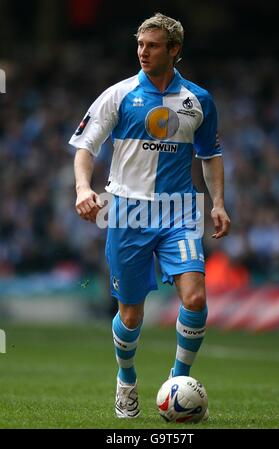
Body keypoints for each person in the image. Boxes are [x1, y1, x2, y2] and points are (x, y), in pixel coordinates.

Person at [69, 12, 230, 419]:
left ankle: (178, 383)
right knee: (131, 313)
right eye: (140, 44)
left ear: (174, 50)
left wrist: (218, 203)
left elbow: (211, 156)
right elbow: (85, 148)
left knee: (195, 298)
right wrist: (84, 188)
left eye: (153, 45)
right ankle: (126, 381)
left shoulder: (198, 100)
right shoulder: (118, 95)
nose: (143, 52)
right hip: (127, 213)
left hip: (179, 212)